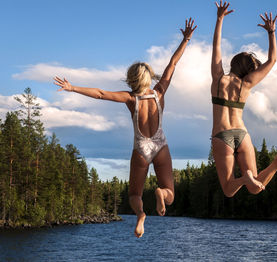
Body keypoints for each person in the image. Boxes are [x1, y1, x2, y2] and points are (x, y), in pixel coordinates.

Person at [54, 18, 197, 238]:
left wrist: (73, 88)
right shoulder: (159, 92)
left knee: (134, 194)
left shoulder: (131, 98)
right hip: (160, 145)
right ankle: (162, 193)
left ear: (132, 80)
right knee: (171, 194)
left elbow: (101, 94)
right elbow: (172, 65)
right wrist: (186, 39)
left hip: (141, 148)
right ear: (149, 77)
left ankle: (141, 215)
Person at [211, 1, 277, 198]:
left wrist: (220, 19)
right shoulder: (246, 84)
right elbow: (272, 60)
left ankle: (246, 177)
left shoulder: (218, 78)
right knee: (255, 188)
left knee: (228, 190)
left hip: (222, 135)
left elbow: (216, 46)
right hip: (242, 134)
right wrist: (271, 33)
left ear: (233, 63)